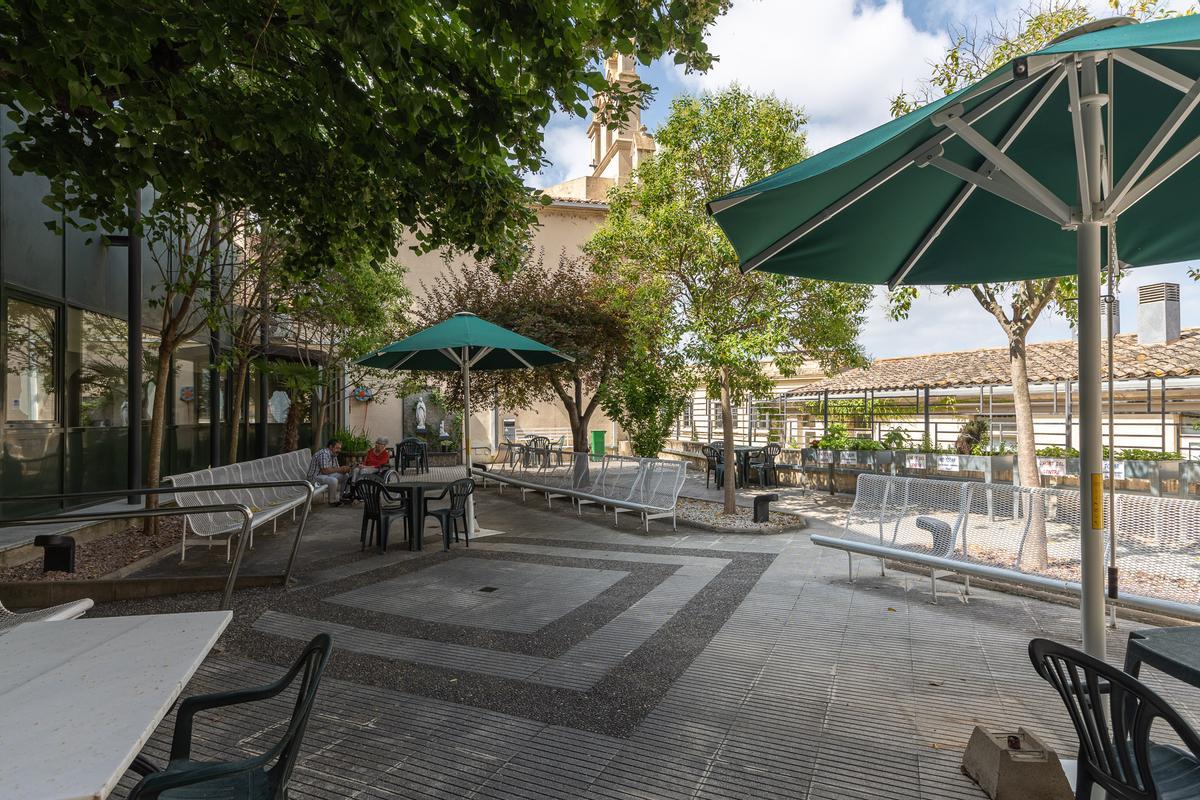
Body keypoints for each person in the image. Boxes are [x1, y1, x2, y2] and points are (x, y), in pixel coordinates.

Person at [307, 438, 351, 506]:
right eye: (337, 448)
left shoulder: (334, 454)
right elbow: (325, 470)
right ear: (330, 447)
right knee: (333, 480)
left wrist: (345, 469)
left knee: (346, 475)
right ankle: (332, 501)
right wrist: (340, 469)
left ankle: (342, 497)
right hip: (314, 478)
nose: (339, 450)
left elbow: (336, 469)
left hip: (324, 476)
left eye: (340, 448)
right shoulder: (323, 454)